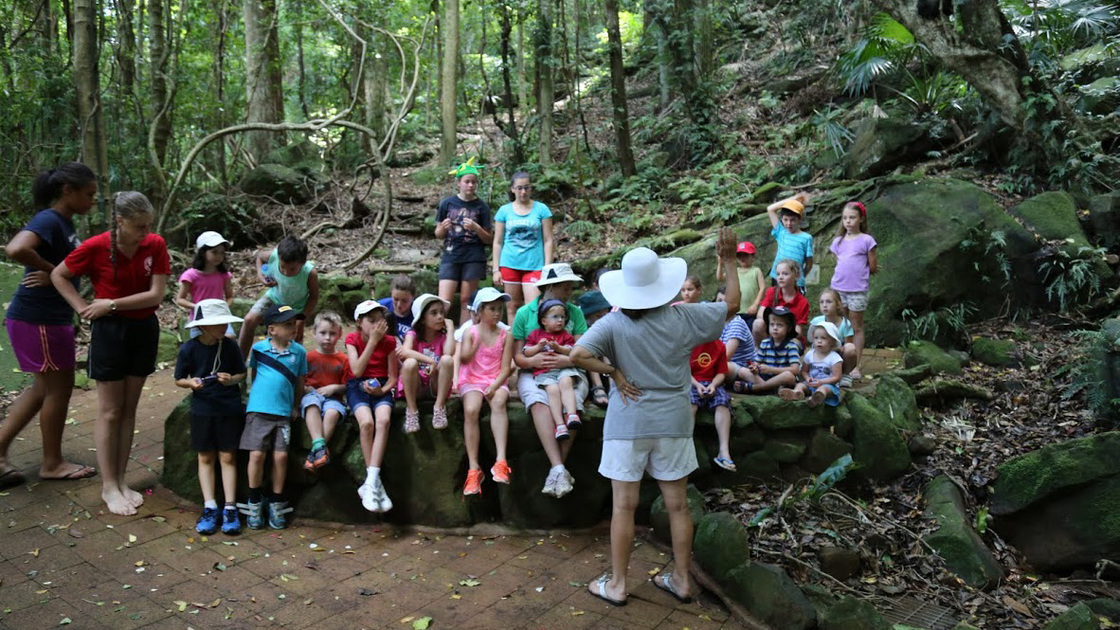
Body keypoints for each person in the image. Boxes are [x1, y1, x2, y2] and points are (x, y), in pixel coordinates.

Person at [571, 228, 740, 608]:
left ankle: (617, 584)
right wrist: (728, 260)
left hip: (627, 420)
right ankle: (681, 579)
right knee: (677, 505)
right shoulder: (683, 318)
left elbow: (577, 355)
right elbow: (731, 305)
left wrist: (614, 373)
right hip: (674, 419)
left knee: (623, 507)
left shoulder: (613, 323)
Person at [52, 191, 171, 516]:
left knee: (129, 409)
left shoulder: (155, 245)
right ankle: (108, 486)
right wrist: (82, 307)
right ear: (120, 221)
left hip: (143, 329)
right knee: (110, 411)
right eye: (139, 226)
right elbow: (58, 274)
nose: (146, 232)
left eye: (149, 225)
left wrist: (112, 303)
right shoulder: (95, 246)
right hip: (110, 333)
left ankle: (120, 481)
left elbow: (155, 294)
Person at [0, 163, 99, 489]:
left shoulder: (63, 223)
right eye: (88, 194)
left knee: (43, 389)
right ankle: (53, 463)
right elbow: (16, 248)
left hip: (43, 318)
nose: (92, 200)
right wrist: (53, 270)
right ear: (67, 191)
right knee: (59, 389)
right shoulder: (48, 219)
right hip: (38, 319)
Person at [512, 263, 589, 498]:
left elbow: (584, 350)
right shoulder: (525, 313)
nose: (569, 293)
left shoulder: (574, 313)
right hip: (533, 373)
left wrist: (565, 362)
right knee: (537, 401)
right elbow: (518, 357)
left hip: (570, 370)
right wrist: (533, 362)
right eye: (566, 288)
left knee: (572, 402)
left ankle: (556, 469)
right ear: (551, 287)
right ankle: (558, 468)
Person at [174, 300, 247, 535]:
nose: (224, 327)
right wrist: (191, 383)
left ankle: (230, 508)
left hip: (229, 407)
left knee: (228, 456)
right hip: (203, 408)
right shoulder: (189, 349)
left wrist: (231, 380)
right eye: (218, 323)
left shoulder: (230, 346)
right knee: (205, 456)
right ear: (204, 326)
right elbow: (179, 378)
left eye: (225, 322)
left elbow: (242, 373)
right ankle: (209, 506)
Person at [239, 305, 307, 530]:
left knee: (280, 458)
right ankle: (255, 500)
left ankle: (277, 501)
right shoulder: (259, 350)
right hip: (259, 410)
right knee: (256, 455)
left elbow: (299, 382)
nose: (293, 328)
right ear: (272, 329)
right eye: (287, 324)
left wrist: (295, 405)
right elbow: (255, 375)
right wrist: (252, 398)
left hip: (282, 413)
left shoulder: (299, 353)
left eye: (294, 323)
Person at [458, 289, 515, 495]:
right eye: (492, 309)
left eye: (499, 309)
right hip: (472, 379)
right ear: (480, 311)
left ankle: (501, 460)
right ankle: (474, 469)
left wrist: (496, 384)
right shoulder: (470, 332)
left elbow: (506, 367)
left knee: (498, 401)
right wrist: (473, 347)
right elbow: (463, 358)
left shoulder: (506, 334)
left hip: (495, 378)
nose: (497, 313)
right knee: (471, 409)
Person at [347, 300, 398, 513]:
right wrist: (372, 342)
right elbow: (357, 370)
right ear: (360, 323)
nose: (377, 325)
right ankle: (374, 483)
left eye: (380, 320)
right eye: (371, 321)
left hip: (380, 387)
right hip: (357, 386)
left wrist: (382, 391)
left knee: (383, 419)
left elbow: (393, 378)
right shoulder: (352, 339)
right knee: (367, 423)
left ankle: (371, 480)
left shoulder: (389, 342)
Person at [238, 235, 319, 358]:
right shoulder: (274, 255)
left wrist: (301, 319)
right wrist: (261, 277)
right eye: (282, 267)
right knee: (249, 320)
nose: (286, 272)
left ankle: (293, 370)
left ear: (302, 263)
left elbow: (313, 297)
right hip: (273, 297)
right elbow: (260, 257)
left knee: (292, 339)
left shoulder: (309, 273)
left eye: (291, 269)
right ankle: (239, 363)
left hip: (295, 308)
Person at [492, 171, 555, 322]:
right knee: (512, 307)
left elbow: (548, 240)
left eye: (526, 187)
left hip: (535, 264)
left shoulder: (542, 209)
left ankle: (531, 341)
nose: (523, 192)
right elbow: (497, 242)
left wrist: (547, 267)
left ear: (531, 188)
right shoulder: (504, 211)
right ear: (512, 189)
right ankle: (515, 344)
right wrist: (495, 269)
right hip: (509, 263)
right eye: (519, 188)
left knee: (533, 307)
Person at [436, 159, 492, 323]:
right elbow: (438, 234)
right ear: (459, 182)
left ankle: (463, 337)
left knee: (467, 300)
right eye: (467, 181)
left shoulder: (482, 207)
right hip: (451, 254)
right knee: (443, 301)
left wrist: (476, 228)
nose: (470, 185)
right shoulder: (447, 203)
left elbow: (488, 238)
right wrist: (443, 228)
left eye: (474, 182)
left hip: (473, 256)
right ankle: (439, 336)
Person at [522, 299, 584, 441]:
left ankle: (571, 414)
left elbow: (572, 351)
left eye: (562, 317)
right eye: (555, 317)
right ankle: (559, 424)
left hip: (564, 369)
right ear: (543, 321)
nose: (560, 320)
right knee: (553, 390)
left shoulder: (565, 335)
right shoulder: (535, 335)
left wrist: (559, 348)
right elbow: (526, 352)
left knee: (566, 382)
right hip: (545, 372)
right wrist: (537, 347)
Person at [829, 201, 878, 380]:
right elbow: (839, 262)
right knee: (840, 325)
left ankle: (855, 365)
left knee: (856, 326)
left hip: (857, 289)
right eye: (845, 218)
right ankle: (836, 362)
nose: (848, 221)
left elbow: (872, 265)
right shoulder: (838, 241)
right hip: (838, 288)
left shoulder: (867, 240)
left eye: (852, 217)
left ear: (861, 219)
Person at [398, 293, 455, 432]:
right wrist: (429, 360)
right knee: (410, 363)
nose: (440, 317)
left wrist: (451, 330)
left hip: (434, 384)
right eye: (434, 313)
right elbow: (404, 352)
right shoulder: (412, 335)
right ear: (422, 319)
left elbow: (449, 353)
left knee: (447, 360)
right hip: (416, 384)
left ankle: (439, 407)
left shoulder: (442, 337)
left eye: (442, 312)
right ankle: (412, 411)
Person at [302, 311, 348, 471]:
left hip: (334, 399)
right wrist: (305, 389)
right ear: (314, 333)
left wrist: (334, 387)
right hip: (312, 395)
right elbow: (300, 381)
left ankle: (315, 452)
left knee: (333, 412)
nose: (327, 338)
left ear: (339, 334)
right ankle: (320, 447)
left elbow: (348, 385)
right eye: (323, 333)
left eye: (332, 333)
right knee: (312, 404)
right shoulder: (308, 358)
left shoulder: (343, 359)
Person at [175, 231, 235, 339]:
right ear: (203, 252)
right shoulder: (190, 275)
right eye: (214, 252)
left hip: (221, 317)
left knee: (228, 339)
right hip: (199, 319)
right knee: (201, 345)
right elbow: (180, 299)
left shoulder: (224, 275)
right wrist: (198, 307)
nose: (219, 256)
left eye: (222, 253)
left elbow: (230, 297)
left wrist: (222, 306)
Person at [689, 334, 734, 472]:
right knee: (691, 404)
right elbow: (683, 370)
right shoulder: (689, 344)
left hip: (712, 383)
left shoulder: (719, 345)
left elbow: (721, 373)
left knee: (722, 403)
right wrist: (697, 385)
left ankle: (724, 451)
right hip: (691, 383)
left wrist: (713, 385)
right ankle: (686, 448)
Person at [734, 307, 800, 395]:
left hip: (781, 380)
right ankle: (770, 389)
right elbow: (757, 363)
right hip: (765, 378)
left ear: (788, 328)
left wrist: (771, 369)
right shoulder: (765, 343)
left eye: (780, 325)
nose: (775, 328)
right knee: (742, 371)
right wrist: (754, 368)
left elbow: (795, 370)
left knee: (789, 376)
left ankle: (755, 388)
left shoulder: (791, 345)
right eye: (772, 324)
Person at [781, 321, 844, 408]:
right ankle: (796, 393)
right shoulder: (810, 354)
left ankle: (816, 398)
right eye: (816, 338)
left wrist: (822, 382)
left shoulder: (834, 358)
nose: (819, 341)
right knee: (800, 385)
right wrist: (807, 379)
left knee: (823, 389)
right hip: (811, 384)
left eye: (823, 338)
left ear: (832, 341)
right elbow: (804, 371)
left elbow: (837, 377)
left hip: (828, 385)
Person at [752, 259, 810, 347]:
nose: (780, 277)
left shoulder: (802, 302)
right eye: (778, 274)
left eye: (785, 274)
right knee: (757, 324)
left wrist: (782, 330)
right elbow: (760, 314)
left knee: (796, 344)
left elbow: (798, 331)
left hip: (790, 337)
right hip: (772, 332)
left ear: (796, 276)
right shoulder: (772, 292)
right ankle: (761, 352)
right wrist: (774, 327)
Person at [714, 285, 759, 397]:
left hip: (743, 368)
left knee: (721, 365)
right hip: (726, 366)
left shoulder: (736, 323)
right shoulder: (716, 322)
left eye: (726, 302)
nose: (722, 306)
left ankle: (760, 386)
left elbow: (725, 356)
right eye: (719, 301)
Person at [810, 289, 858, 388]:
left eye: (829, 302)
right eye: (822, 302)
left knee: (851, 348)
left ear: (838, 305)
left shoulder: (845, 324)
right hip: (821, 354)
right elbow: (812, 342)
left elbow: (847, 345)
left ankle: (845, 374)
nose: (824, 305)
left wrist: (836, 349)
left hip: (838, 355)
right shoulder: (816, 322)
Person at [766, 193, 813, 292]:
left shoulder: (806, 238)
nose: (788, 223)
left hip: (796, 281)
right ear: (782, 219)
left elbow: (809, 263)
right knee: (777, 305)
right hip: (777, 277)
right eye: (785, 220)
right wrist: (792, 199)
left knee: (795, 306)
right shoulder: (781, 232)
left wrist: (800, 276)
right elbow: (770, 209)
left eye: (793, 220)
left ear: (799, 220)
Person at [717, 241, 766, 327]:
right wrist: (720, 263)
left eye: (745, 255)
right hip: (736, 311)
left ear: (753, 256)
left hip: (750, 311)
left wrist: (755, 304)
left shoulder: (756, 271)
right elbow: (720, 278)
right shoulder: (735, 271)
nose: (742, 258)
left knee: (750, 332)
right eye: (739, 256)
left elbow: (762, 288)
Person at [577, 290, 613, 409]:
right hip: (590, 371)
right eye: (598, 316)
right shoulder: (583, 329)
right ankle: (598, 387)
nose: (603, 319)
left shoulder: (610, 327)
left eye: (606, 314)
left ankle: (613, 388)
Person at [378, 274, 416, 341]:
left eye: (404, 301)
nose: (399, 305)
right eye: (395, 299)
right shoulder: (380, 306)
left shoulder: (418, 312)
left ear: (413, 297)